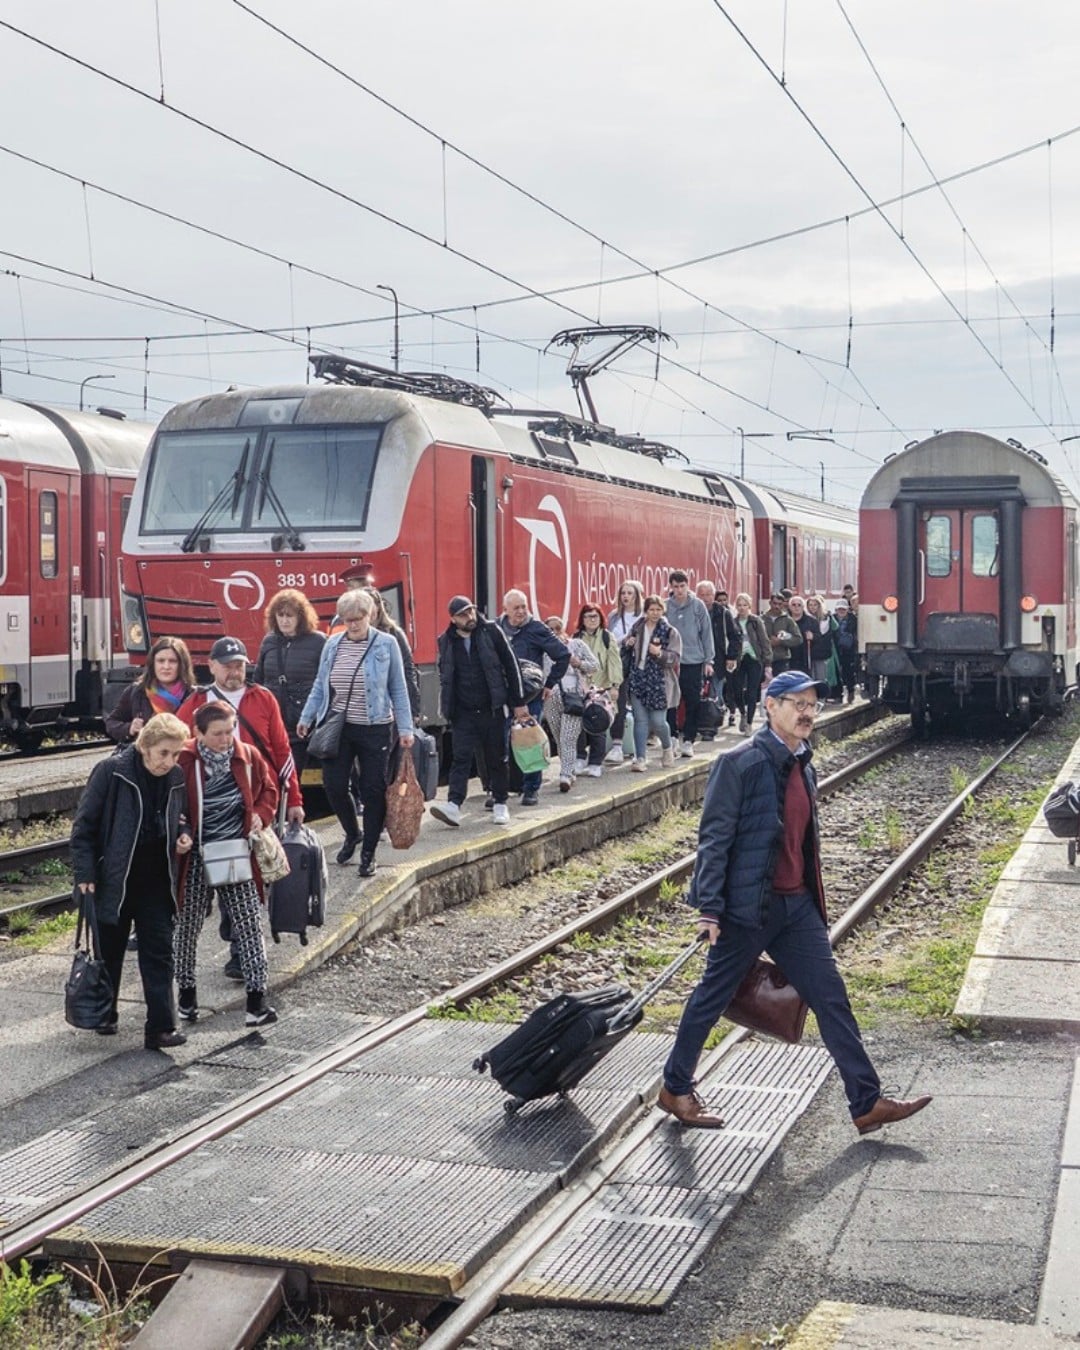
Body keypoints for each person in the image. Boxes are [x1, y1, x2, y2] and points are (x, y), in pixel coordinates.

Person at [657, 670, 932, 1136]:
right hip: (749, 907)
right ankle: (675, 1088)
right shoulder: (738, 763)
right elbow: (714, 839)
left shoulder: (805, 762)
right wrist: (710, 908)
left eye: (812, 705)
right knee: (712, 996)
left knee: (831, 997)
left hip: (796, 906)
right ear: (771, 706)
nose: (807, 713)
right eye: (797, 704)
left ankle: (866, 1102)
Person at [179, 635, 305, 980]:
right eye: (227, 665)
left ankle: (239, 950)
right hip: (211, 810)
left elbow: (282, 750)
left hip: (255, 804)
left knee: (247, 877)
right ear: (212, 666)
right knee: (222, 877)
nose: (234, 672)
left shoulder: (262, 698)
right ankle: (232, 936)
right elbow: (177, 743)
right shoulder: (197, 702)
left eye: (239, 665)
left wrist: (294, 799)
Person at [70, 713, 193, 1050]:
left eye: (176, 754)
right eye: (164, 753)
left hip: (156, 880)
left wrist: (183, 833)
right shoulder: (111, 772)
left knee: (159, 953)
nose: (169, 761)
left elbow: (180, 815)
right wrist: (85, 874)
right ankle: (104, 1013)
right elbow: (84, 827)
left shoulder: (175, 776)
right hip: (115, 879)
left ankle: (161, 1028)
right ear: (145, 746)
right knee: (109, 951)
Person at [174, 702, 279, 1027]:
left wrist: (260, 816)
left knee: (249, 922)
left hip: (234, 852)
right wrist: (181, 831)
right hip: (195, 855)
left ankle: (256, 1002)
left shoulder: (247, 756)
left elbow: (269, 791)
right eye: (217, 734)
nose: (225, 740)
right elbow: (171, 804)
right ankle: (186, 996)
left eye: (229, 731)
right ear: (198, 733)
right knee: (187, 926)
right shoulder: (184, 760)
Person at [297, 588, 414, 877]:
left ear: (370, 616)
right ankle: (352, 833)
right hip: (339, 725)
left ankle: (369, 852)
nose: (353, 624)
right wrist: (307, 716)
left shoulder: (386, 644)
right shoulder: (332, 645)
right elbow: (321, 685)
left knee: (373, 789)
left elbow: (398, 688)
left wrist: (406, 727)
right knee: (334, 785)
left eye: (358, 618)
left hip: (376, 726)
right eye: (347, 619)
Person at [433, 596, 527, 827]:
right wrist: (446, 708)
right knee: (461, 758)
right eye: (463, 614)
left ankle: (500, 803)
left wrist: (518, 702)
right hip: (463, 711)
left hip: (492, 708)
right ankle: (453, 805)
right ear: (453, 619)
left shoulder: (491, 632)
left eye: (471, 611)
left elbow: (511, 664)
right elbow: (445, 676)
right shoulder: (445, 641)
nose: (470, 617)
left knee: (497, 757)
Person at [499, 589, 569, 806]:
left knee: (530, 743)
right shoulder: (496, 628)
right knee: (499, 745)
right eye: (516, 608)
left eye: (524, 607)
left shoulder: (537, 629)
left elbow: (563, 655)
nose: (521, 611)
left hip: (530, 697)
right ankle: (499, 790)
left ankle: (531, 789)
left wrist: (549, 684)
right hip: (502, 696)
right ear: (505, 610)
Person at [255, 589, 326, 779]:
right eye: (281, 615)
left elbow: (327, 683)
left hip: (305, 726)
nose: (284, 620)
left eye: (289, 615)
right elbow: (258, 681)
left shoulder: (318, 641)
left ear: (300, 617)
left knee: (296, 780)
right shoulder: (269, 641)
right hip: (273, 723)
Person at [542, 616, 599, 791]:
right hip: (551, 698)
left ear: (563, 629)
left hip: (573, 695)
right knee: (559, 736)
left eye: (557, 628)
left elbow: (595, 665)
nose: (554, 632)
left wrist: (579, 663)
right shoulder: (542, 649)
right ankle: (570, 770)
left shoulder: (577, 645)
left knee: (568, 737)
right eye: (550, 629)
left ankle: (565, 775)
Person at [105, 637, 196, 744]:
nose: (166, 666)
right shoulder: (137, 691)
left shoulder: (193, 695)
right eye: (161, 661)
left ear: (182, 665)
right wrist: (129, 728)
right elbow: (111, 722)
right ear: (153, 663)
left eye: (172, 661)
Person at [624, 594, 677, 771]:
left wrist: (660, 654)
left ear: (663, 611)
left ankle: (667, 748)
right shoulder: (637, 628)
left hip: (659, 680)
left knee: (658, 721)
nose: (655, 613)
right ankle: (640, 758)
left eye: (658, 609)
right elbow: (623, 646)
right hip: (638, 677)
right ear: (646, 611)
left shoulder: (669, 631)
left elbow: (675, 658)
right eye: (651, 609)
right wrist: (628, 643)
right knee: (640, 720)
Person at [665, 571, 714, 758]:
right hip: (671, 661)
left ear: (687, 585)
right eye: (675, 587)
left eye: (682, 586)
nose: (679, 590)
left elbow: (706, 634)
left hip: (693, 660)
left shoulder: (697, 606)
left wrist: (709, 660)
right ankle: (672, 737)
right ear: (671, 587)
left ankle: (688, 740)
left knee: (692, 700)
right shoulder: (665, 606)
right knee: (671, 701)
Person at [573, 604, 624, 776]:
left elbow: (614, 663)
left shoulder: (607, 637)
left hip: (601, 687)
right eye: (588, 616)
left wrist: (615, 686)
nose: (592, 620)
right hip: (581, 687)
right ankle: (580, 757)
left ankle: (595, 762)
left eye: (595, 616)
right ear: (582, 619)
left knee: (599, 724)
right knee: (578, 724)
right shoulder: (576, 638)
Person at [364, 586, 422, 719]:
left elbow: (408, 670)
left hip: (391, 707)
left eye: (370, 605)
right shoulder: (353, 637)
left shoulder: (394, 634)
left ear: (378, 607)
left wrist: (413, 710)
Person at [604, 580, 644, 765]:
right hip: (620, 664)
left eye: (630, 593)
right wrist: (624, 640)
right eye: (623, 593)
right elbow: (608, 640)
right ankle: (617, 745)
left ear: (637, 596)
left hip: (641, 665)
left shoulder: (643, 616)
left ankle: (640, 749)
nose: (626, 597)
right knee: (618, 702)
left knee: (638, 706)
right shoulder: (614, 616)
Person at [730, 593, 771, 735]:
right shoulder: (733, 622)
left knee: (752, 691)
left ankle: (749, 723)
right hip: (739, 658)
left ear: (749, 606)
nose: (742, 608)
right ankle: (742, 712)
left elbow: (764, 641)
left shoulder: (755, 621)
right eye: (739, 605)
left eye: (744, 605)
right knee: (737, 689)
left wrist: (767, 661)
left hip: (754, 658)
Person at [696, 581, 739, 709]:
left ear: (713, 595)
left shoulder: (723, 613)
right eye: (702, 595)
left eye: (708, 594)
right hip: (695, 659)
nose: (705, 598)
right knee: (697, 694)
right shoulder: (693, 611)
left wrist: (731, 656)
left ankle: (715, 717)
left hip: (717, 660)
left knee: (715, 694)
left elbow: (735, 636)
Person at [761, 593, 800, 678]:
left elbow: (798, 639)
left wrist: (781, 641)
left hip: (781, 659)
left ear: (783, 605)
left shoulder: (788, 620)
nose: (777, 606)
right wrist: (767, 642)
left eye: (780, 604)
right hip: (764, 659)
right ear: (770, 603)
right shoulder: (761, 619)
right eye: (775, 603)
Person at [804, 594, 839, 688]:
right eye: (810, 605)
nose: (812, 607)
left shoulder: (826, 619)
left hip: (822, 652)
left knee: (821, 677)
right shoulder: (805, 619)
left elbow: (831, 631)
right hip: (808, 652)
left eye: (815, 605)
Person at [834, 598, 859, 703]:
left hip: (849, 649)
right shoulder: (832, 619)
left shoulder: (853, 619)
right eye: (839, 609)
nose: (841, 611)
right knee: (836, 672)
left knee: (848, 671)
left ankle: (850, 691)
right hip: (836, 648)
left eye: (843, 609)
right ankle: (838, 695)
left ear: (847, 610)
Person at [787, 595, 812, 674]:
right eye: (793, 605)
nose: (796, 607)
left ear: (803, 607)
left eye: (799, 605)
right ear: (789, 607)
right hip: (789, 655)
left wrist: (813, 637)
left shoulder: (811, 621)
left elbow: (819, 637)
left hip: (804, 656)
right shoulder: (785, 620)